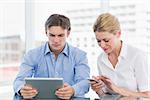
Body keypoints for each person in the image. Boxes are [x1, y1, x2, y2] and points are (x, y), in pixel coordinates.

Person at [13, 14, 90, 99]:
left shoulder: (80, 55)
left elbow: (85, 82)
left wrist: (72, 90)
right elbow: (19, 80)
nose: (56, 40)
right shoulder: (32, 55)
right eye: (52, 35)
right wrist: (22, 89)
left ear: (68, 33)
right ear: (46, 33)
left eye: (60, 35)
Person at [90, 13, 150, 97]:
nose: (102, 45)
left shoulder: (137, 56)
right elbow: (105, 96)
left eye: (106, 40)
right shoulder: (101, 59)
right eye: (98, 41)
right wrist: (98, 90)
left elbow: (147, 95)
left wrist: (116, 89)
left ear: (118, 34)